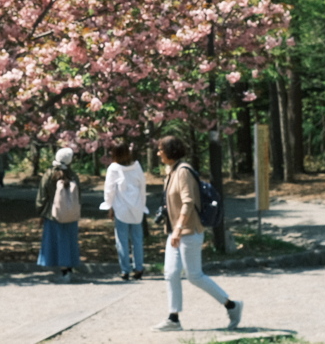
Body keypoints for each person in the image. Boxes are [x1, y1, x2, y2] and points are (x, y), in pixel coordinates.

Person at [152, 135, 242, 332]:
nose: (158, 153)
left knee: (194, 275)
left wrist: (178, 229)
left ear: (170, 151)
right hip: (175, 233)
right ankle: (173, 318)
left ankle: (232, 306)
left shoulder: (183, 171)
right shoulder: (172, 171)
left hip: (188, 231)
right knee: (171, 273)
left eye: (161, 149)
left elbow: (188, 202)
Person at [99, 142, 148, 280]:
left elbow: (109, 190)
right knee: (137, 239)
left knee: (122, 240)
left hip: (121, 209)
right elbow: (142, 187)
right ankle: (139, 268)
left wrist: (109, 205)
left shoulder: (113, 168)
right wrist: (142, 204)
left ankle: (125, 270)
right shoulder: (137, 166)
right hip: (137, 208)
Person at [36, 147, 81, 283]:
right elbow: (79, 196)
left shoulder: (49, 174)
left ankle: (62, 270)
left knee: (56, 242)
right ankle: (69, 268)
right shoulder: (73, 176)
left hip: (53, 215)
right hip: (70, 215)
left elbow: (42, 196)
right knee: (69, 242)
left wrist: (40, 213)